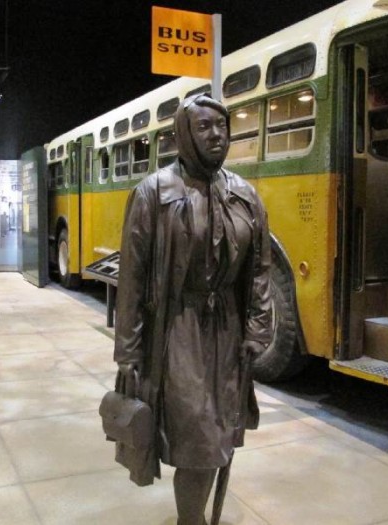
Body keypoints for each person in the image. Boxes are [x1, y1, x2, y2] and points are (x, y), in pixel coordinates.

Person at [113, 94, 274, 524]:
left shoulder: (244, 194)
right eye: (204, 126)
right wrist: (128, 350)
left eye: (221, 125)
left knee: (219, 431)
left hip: (227, 328)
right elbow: (131, 276)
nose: (216, 134)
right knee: (200, 437)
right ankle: (192, 521)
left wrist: (258, 329)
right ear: (184, 134)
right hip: (177, 328)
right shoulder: (154, 192)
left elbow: (260, 268)